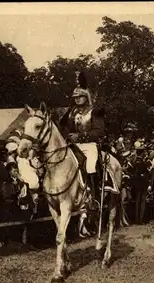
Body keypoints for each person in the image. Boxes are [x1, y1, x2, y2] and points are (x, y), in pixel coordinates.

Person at [59, 70, 106, 206]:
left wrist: (80, 136)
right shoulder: (71, 112)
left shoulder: (94, 111)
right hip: (73, 145)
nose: (77, 99)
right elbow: (64, 127)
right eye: (75, 97)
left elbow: (99, 132)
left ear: (86, 97)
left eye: (80, 96)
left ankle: (94, 196)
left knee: (90, 166)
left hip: (89, 145)